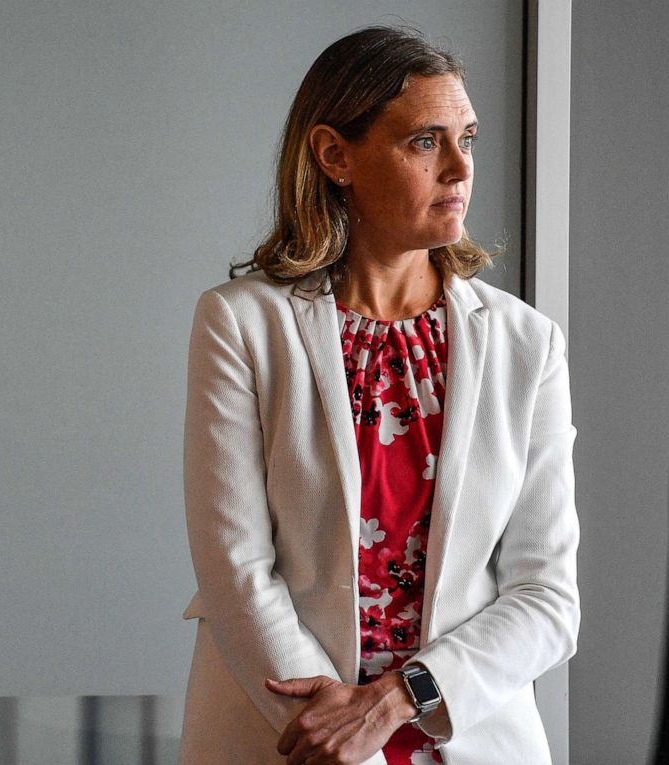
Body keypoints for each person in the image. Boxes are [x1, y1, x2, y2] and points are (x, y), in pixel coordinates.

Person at [177, 26, 579, 765]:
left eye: (468, 137)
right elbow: (234, 569)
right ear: (335, 156)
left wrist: (397, 700)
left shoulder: (528, 345)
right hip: (284, 741)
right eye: (426, 142)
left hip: (466, 739)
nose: (460, 168)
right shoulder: (240, 323)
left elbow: (547, 599)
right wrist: (338, 734)